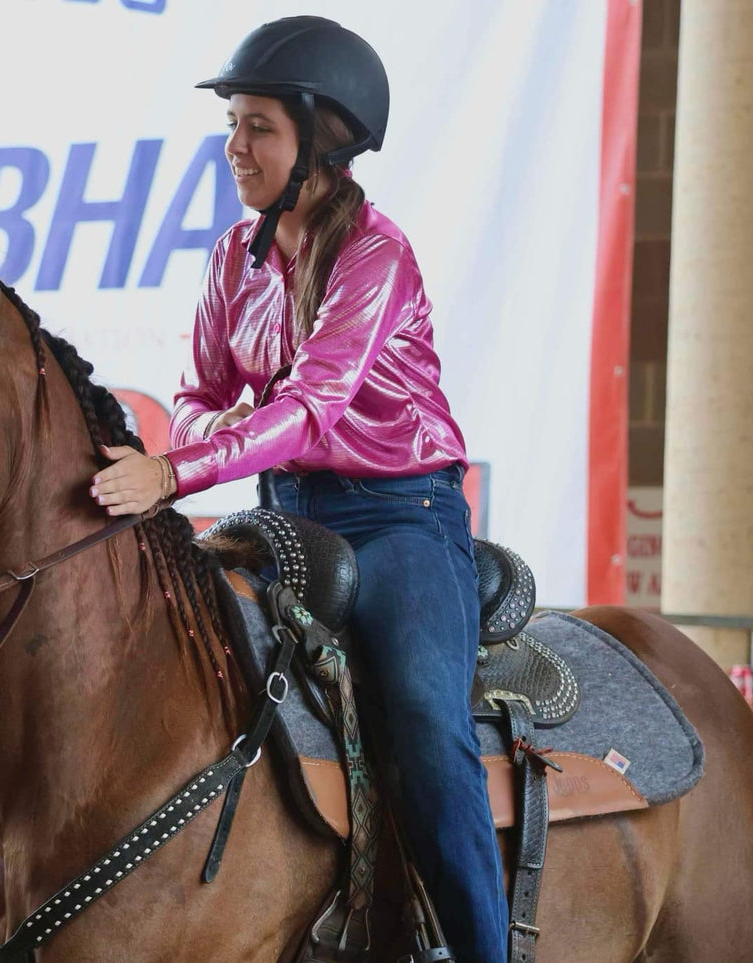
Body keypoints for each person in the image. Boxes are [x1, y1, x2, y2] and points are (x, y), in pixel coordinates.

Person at [88, 16, 506, 963]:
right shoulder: (232, 258)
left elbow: (313, 409)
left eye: (259, 127)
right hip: (284, 514)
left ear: (321, 141)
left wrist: (173, 470)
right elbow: (198, 392)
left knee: (423, 719)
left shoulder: (376, 257)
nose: (235, 147)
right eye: (232, 124)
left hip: (401, 516)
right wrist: (196, 439)